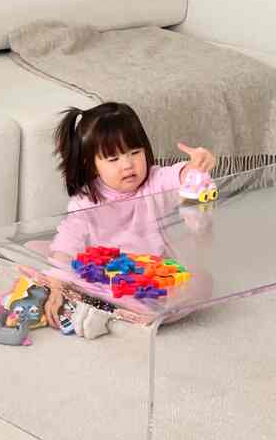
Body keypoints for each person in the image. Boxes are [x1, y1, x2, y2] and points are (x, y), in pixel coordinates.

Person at [39, 101, 216, 327]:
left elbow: (181, 176)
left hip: (153, 277)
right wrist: (56, 287)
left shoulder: (154, 182)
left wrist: (197, 168)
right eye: (113, 159)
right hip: (105, 277)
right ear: (92, 165)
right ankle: (108, 307)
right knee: (52, 258)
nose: (128, 165)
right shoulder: (85, 201)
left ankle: (128, 312)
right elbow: (67, 242)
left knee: (202, 282)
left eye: (135, 152)